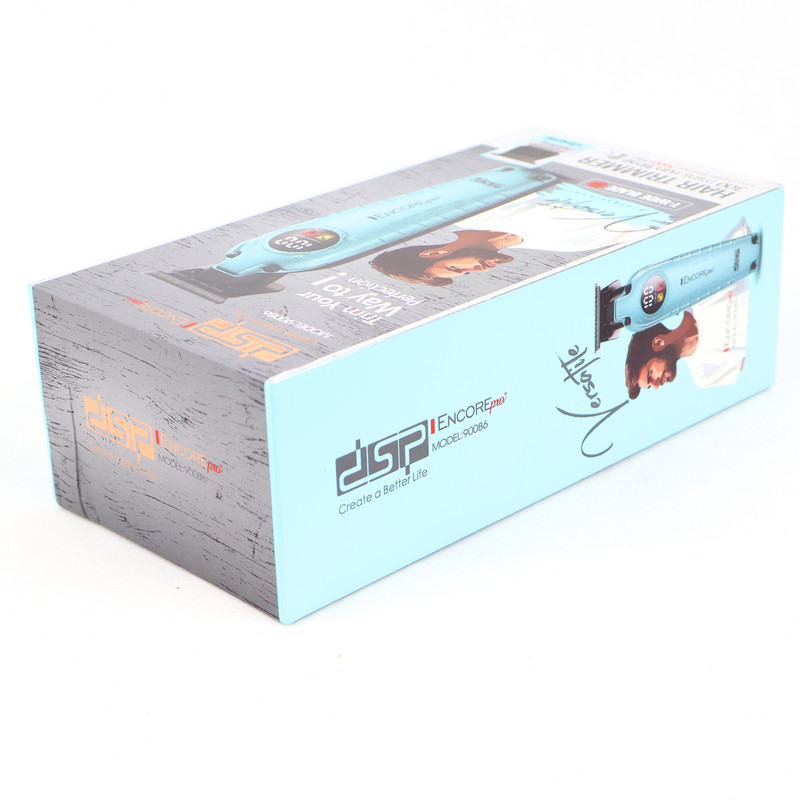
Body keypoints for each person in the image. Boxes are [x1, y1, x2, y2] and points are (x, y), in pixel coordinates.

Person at [370, 229, 522, 286]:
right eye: (466, 272)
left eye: (455, 268)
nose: (481, 269)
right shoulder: (533, 244)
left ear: (433, 254)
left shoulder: (478, 213)